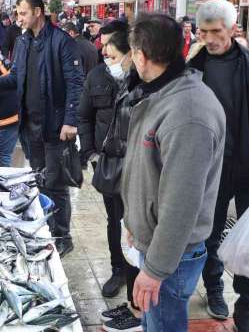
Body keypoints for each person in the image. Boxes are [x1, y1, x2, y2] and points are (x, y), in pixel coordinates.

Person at [117, 14, 226, 332]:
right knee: (154, 322)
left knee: (164, 324)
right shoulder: (163, 93)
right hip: (155, 244)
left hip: (172, 256)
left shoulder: (188, 112)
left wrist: (155, 268)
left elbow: (181, 204)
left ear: (141, 55)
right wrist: (133, 222)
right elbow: (149, 173)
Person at [188, 0, 249, 332]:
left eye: (217, 31)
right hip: (206, 170)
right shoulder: (192, 68)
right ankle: (214, 287)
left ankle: (247, 305)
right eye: (204, 31)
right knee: (208, 236)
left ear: (232, 29)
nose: (210, 38)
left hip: (246, 168)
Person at [0, 0, 84, 257]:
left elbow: (76, 84)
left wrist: (70, 121)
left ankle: (62, 235)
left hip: (55, 126)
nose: (18, 18)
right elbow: (16, 78)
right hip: (29, 124)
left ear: (38, 12)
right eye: (18, 13)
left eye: (23, 13)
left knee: (56, 182)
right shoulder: (22, 42)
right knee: (40, 177)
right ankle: (45, 226)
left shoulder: (62, 42)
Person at [77, 20, 140, 303]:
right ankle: (118, 270)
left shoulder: (142, 79)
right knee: (115, 219)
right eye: (104, 53)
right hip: (108, 163)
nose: (106, 58)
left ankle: (135, 275)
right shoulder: (96, 77)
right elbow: (84, 116)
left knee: (136, 222)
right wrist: (90, 153)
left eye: (112, 55)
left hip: (138, 166)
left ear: (131, 54)